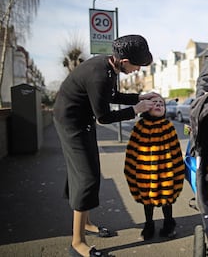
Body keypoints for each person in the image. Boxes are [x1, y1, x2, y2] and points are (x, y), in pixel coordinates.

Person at [54, 34, 158, 257]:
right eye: (137, 65)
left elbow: (111, 95)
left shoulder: (108, 67)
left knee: (88, 171)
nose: (138, 69)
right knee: (86, 177)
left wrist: (140, 96)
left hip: (82, 121)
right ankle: (77, 243)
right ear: (124, 61)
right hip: (72, 123)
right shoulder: (100, 73)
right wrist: (136, 110)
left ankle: (87, 224)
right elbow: (104, 117)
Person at [124, 94, 185, 241]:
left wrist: (178, 174)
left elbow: (176, 153)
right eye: (154, 103)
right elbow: (131, 152)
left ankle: (169, 223)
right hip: (144, 175)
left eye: (161, 104)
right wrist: (130, 171)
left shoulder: (168, 127)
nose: (158, 105)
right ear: (145, 107)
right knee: (147, 200)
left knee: (167, 199)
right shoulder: (139, 127)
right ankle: (149, 224)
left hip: (166, 175)